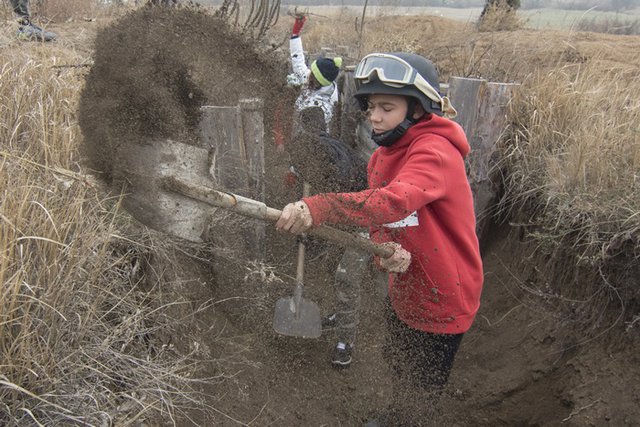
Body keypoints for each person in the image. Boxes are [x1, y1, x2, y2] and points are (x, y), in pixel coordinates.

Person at [275, 52, 484, 425]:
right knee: (399, 362)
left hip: (444, 294)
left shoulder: (434, 152)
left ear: (418, 108)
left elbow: (394, 201)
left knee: (422, 387)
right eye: (372, 106)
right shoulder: (382, 157)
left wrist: (317, 208)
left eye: (387, 107)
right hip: (406, 285)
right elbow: (383, 223)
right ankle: (396, 415)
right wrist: (384, 251)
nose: (374, 116)